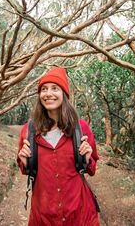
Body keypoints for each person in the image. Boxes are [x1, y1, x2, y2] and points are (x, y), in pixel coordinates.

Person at [17, 67, 100, 226]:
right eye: (44, 89)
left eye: (55, 88)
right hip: (44, 215)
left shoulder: (80, 128)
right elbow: (25, 168)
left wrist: (88, 159)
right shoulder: (29, 131)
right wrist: (25, 163)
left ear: (64, 94)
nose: (48, 94)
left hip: (80, 213)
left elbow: (92, 168)